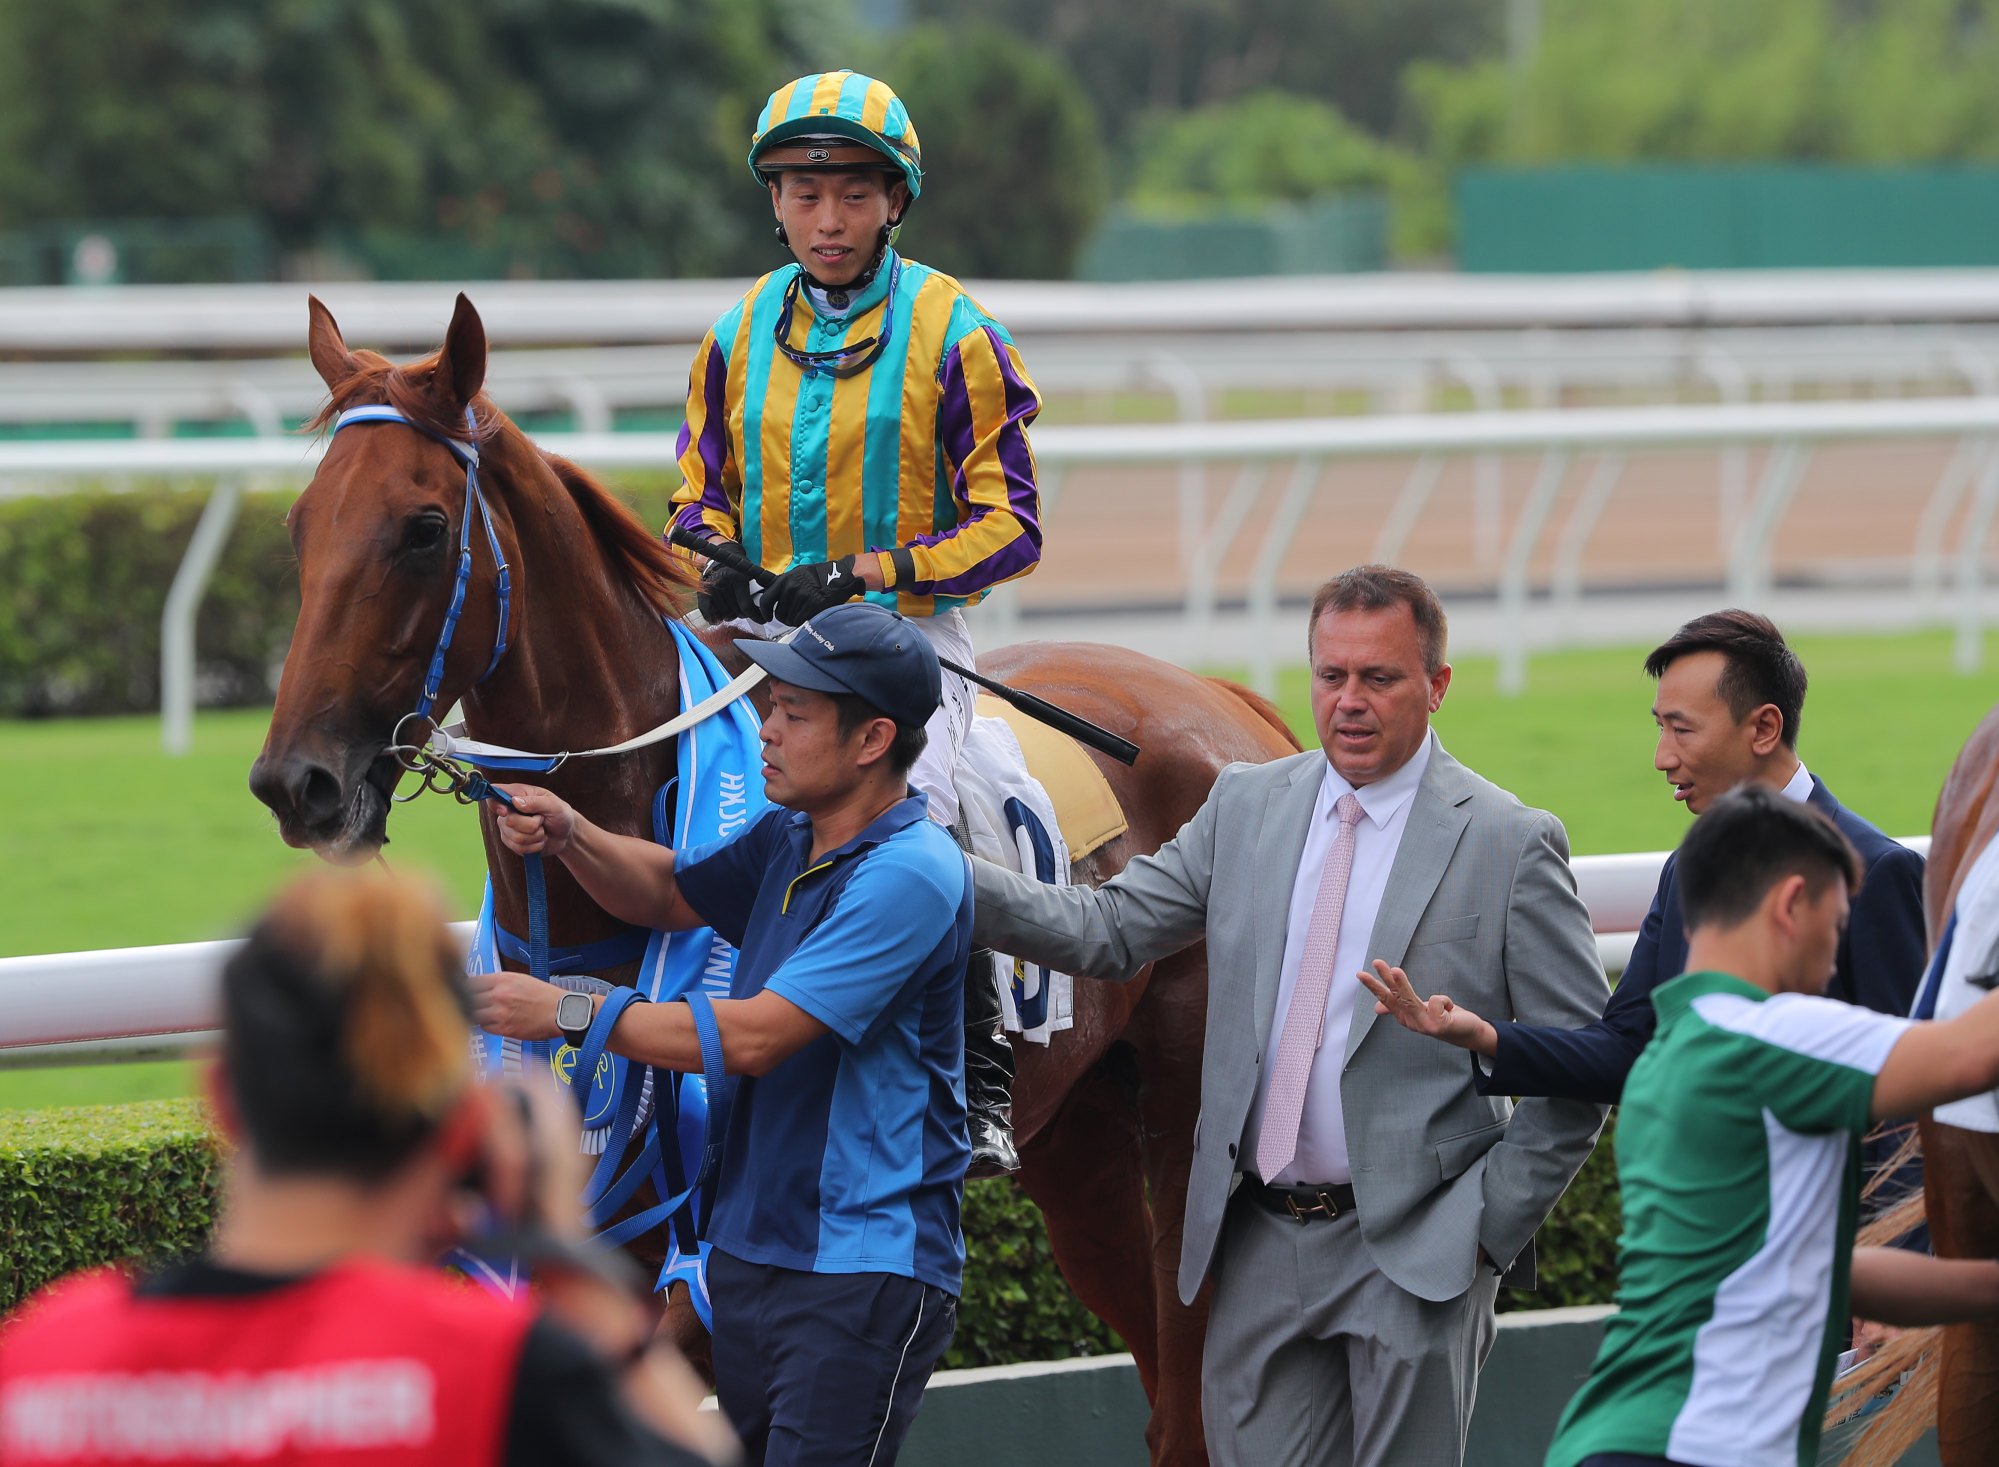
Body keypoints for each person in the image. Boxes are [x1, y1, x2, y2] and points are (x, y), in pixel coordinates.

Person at [967, 564, 1609, 1467]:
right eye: (1330, 675)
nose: (1348, 701)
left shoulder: (1509, 838)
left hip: (1419, 1254)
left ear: (1436, 685)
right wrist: (946, 874)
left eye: (1378, 678)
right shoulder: (1246, 802)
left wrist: (1483, 1231)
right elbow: (1111, 929)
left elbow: (1579, 1066)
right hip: (1259, 1250)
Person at [0, 870, 729, 1467]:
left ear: (221, 1098)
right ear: (463, 1129)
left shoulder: (45, 1361)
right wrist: (564, 1258)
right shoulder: (494, 1373)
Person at [471, 601, 971, 1467]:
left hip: (858, 1271)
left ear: (871, 739)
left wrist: (566, 1011)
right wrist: (572, 833)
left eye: (792, 713)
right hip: (748, 1261)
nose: (764, 730)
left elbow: (758, 1036)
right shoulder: (793, 834)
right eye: (768, 705)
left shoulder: (911, 874)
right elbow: (669, 892)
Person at [666, 68, 1043, 1175]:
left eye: (851, 194)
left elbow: (1010, 525)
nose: (825, 220)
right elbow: (693, 501)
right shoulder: (734, 334)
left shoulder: (958, 331)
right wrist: (723, 567)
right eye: (801, 193)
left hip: (903, 646)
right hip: (754, 642)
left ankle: (976, 1078)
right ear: (772, 201)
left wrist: (868, 574)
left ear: (894, 202)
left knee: (923, 809)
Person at [1544, 785, 1999, 1467]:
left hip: (1631, 1440)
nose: (1832, 955)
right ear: (1790, 904)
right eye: (1837, 926)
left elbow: (1820, 1271)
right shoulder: (1773, 1033)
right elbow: (1970, 1054)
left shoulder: (1670, 1057)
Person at [1361, 607, 1926, 1099]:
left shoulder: (1879, 872)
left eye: (1682, 731)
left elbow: (1910, 1098)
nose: (1662, 757)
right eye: (1660, 728)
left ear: (1765, 728)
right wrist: (1480, 1034)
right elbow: (1627, 1049)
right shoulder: (1688, 871)